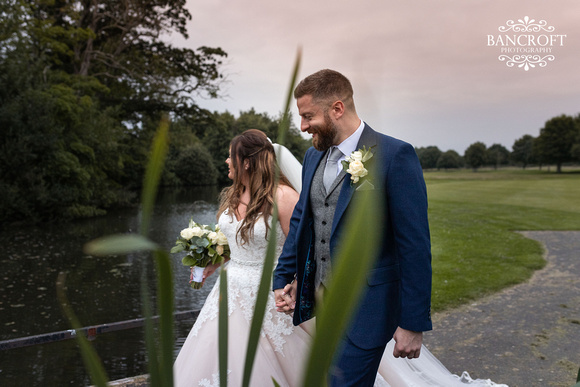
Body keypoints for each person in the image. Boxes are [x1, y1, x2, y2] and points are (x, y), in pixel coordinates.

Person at [272, 68, 434, 386]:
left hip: (368, 309)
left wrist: (414, 323)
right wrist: (283, 276)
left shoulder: (395, 156)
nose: (303, 127)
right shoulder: (313, 157)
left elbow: (414, 245)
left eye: (308, 116)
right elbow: (304, 219)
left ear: (337, 108)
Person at [173, 129, 311, 386]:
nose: (226, 161)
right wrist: (214, 261)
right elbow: (237, 244)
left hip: (269, 292)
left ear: (246, 161)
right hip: (228, 290)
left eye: (230, 156)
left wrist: (293, 284)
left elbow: (302, 249)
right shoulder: (233, 195)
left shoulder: (283, 197)